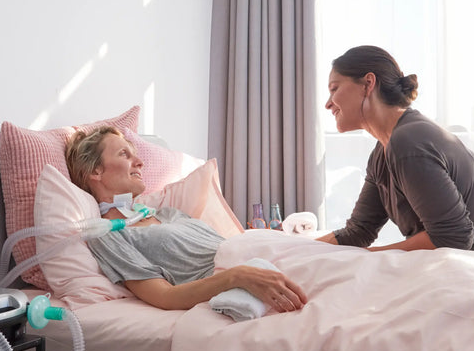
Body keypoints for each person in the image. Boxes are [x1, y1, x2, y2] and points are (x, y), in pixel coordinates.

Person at [65, 126, 308, 313]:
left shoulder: (166, 213)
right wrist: (239, 276)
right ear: (95, 171)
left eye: (135, 155)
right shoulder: (107, 234)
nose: (139, 162)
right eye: (124, 154)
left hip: (266, 254)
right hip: (248, 276)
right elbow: (165, 297)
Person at [318, 45, 474, 257]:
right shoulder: (383, 151)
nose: (328, 104)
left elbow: (453, 237)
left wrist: (369, 257)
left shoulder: (408, 142)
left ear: (368, 84)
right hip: (453, 264)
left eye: (334, 89)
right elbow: (358, 232)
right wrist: (295, 250)